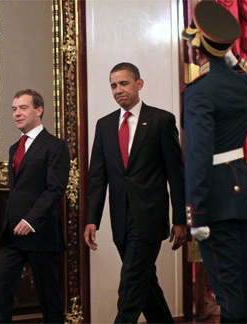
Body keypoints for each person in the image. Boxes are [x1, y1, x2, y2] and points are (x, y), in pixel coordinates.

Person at [182, 2, 247, 323]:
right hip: (242, 194)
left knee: (227, 291)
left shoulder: (198, 93)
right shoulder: (242, 84)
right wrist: (235, 61)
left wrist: (197, 213)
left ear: (199, 47)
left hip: (216, 202)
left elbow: (198, 156)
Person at [84, 62, 187, 323]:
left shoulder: (161, 120)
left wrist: (180, 219)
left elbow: (176, 175)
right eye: (113, 85)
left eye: (124, 83)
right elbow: (97, 178)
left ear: (139, 84)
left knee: (129, 288)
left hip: (149, 219)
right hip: (120, 220)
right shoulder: (104, 125)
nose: (118, 90)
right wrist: (91, 219)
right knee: (145, 284)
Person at [0, 89, 70, 323]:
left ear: (39, 110)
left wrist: (31, 220)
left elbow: (55, 189)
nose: (17, 113)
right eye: (14, 109)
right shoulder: (14, 148)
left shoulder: (55, 146)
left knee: (49, 297)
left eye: (23, 108)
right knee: (0, 289)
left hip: (41, 232)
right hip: (12, 234)